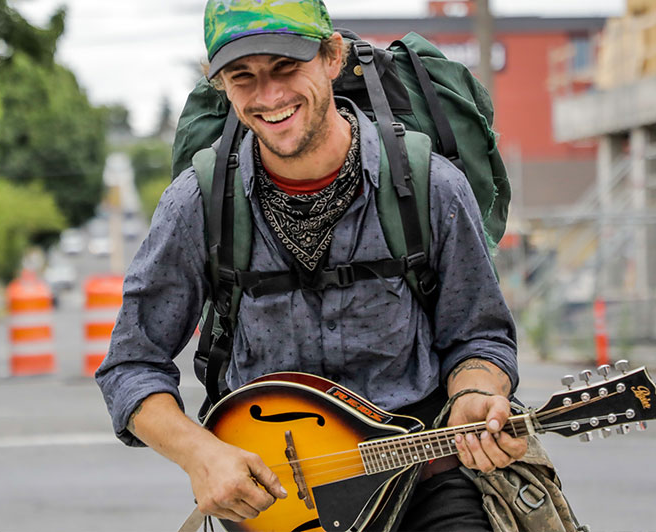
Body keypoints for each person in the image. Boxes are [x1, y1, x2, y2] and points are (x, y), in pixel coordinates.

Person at [96, 0, 527, 529]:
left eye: (285, 67)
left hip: (422, 482)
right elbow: (131, 365)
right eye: (243, 77)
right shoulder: (198, 203)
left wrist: (478, 394)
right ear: (221, 86)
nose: (269, 96)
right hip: (274, 506)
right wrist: (201, 454)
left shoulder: (432, 187)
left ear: (331, 56)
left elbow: (479, 338)